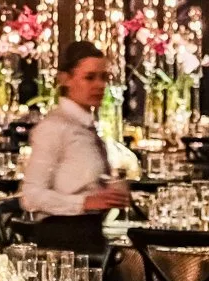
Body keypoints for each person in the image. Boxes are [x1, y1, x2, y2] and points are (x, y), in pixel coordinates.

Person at [21, 40, 130, 255]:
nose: (99, 85)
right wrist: (85, 202)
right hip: (64, 244)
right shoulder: (54, 127)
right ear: (66, 79)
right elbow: (30, 196)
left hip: (91, 237)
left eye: (104, 77)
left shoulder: (86, 124)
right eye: (90, 77)